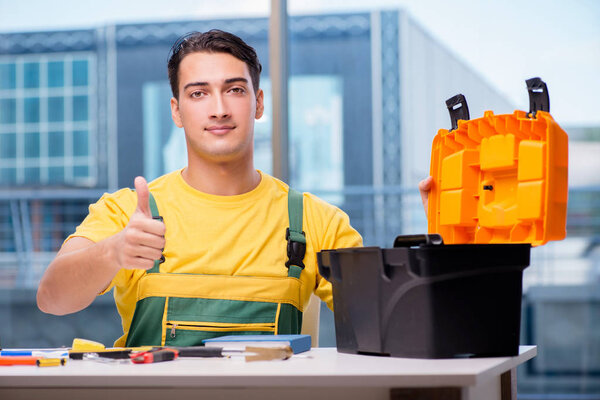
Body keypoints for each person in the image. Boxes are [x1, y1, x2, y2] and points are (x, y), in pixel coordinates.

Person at [36, 29, 363, 347]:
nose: (219, 109)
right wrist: (114, 251)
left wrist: (417, 247)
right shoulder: (131, 212)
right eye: (198, 93)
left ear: (259, 103)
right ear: (176, 111)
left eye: (234, 89)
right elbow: (52, 299)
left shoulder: (315, 221)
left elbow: (384, 324)